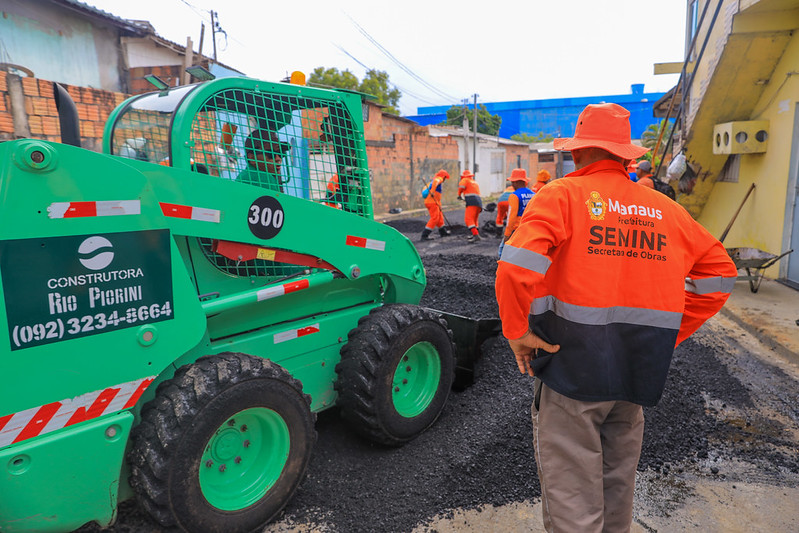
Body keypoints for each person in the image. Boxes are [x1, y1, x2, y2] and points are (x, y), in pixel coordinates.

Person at [494, 103, 738, 533]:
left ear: (578, 152)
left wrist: (517, 331)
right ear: (626, 158)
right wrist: (665, 333)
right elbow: (719, 276)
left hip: (571, 369)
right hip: (635, 372)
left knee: (573, 497)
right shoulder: (665, 210)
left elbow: (515, 267)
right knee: (616, 488)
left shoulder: (563, 195)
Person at [498, 168, 534, 258]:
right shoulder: (534, 194)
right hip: (530, 229)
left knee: (502, 251)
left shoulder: (514, 196)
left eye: (512, 182)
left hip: (516, 229)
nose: (512, 184)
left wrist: (507, 235)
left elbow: (511, 217)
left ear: (516, 182)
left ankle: (501, 270)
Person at [420, 169, 451, 241]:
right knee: (435, 218)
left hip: (434, 202)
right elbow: (436, 182)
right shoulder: (438, 179)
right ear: (443, 176)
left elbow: (437, 196)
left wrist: (439, 205)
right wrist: (433, 191)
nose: (445, 180)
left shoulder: (435, 180)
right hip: (432, 202)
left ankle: (443, 232)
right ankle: (425, 235)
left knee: (439, 217)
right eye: (445, 178)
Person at [457, 169, 483, 242]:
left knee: (468, 219)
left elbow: (461, 187)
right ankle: (475, 234)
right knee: (474, 219)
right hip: (478, 202)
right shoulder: (474, 182)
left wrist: (459, 195)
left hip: (472, 202)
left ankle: (476, 235)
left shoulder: (465, 180)